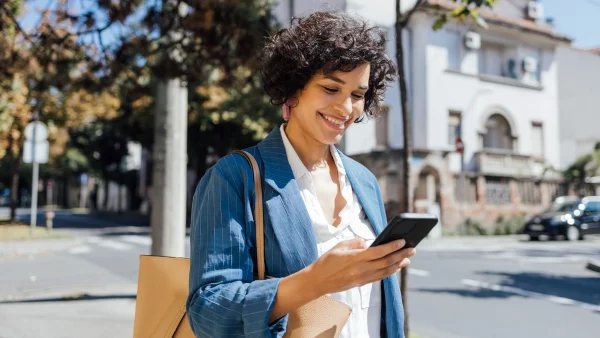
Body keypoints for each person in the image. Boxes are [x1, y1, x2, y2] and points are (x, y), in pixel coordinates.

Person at [187, 11, 416, 338]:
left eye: (357, 94)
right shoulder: (233, 178)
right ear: (293, 91)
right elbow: (206, 310)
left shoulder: (363, 180)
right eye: (330, 88)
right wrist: (314, 281)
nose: (346, 107)